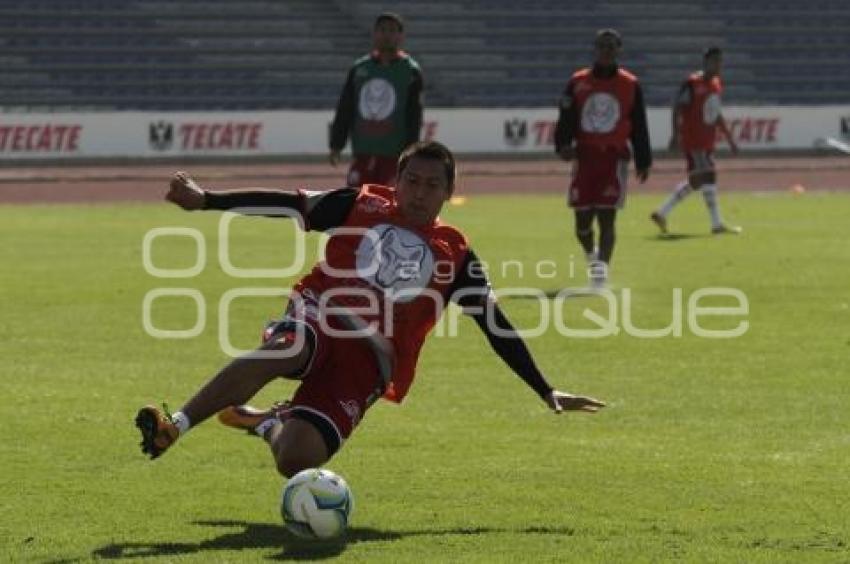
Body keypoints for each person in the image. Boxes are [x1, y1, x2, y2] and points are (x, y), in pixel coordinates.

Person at [136, 141, 605, 477]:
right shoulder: (361, 204)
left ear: (449, 192)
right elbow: (286, 204)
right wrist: (207, 201)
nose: (419, 192)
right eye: (412, 181)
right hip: (321, 313)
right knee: (286, 348)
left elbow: (495, 326)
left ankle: (271, 423)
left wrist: (545, 390)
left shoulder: (455, 254)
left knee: (296, 460)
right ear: (396, 181)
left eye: (432, 185)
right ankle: (173, 426)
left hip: (372, 361)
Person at [554, 29, 651, 289]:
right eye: (602, 46)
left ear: (619, 49)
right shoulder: (578, 82)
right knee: (582, 223)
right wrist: (562, 144)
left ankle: (600, 275)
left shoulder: (630, 84)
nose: (606, 51)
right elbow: (565, 117)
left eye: (611, 46)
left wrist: (644, 159)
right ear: (594, 49)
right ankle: (592, 256)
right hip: (584, 158)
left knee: (607, 218)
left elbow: (639, 124)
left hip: (613, 159)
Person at [651, 47, 741, 235]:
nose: (718, 65)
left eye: (720, 61)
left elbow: (715, 113)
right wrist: (675, 134)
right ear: (706, 62)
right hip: (694, 140)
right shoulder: (692, 83)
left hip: (707, 140)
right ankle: (716, 224)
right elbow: (677, 108)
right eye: (714, 61)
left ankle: (662, 212)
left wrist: (729, 138)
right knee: (708, 174)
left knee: (698, 181)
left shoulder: (716, 84)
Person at [328, 11, 423, 187]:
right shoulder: (360, 69)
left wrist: (412, 152)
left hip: (394, 156)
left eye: (392, 30)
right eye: (382, 30)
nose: (386, 35)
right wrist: (336, 144)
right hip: (363, 153)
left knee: (391, 207)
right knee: (357, 205)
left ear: (401, 36)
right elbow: (345, 108)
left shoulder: (410, 71)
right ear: (374, 34)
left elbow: (414, 116)